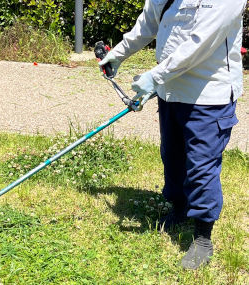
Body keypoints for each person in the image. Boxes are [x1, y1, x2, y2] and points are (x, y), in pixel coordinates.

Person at [99, 0, 246, 270]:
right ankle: (178, 208)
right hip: (170, 92)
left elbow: (200, 43)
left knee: (201, 166)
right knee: (173, 156)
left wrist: (156, 75)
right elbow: (148, 24)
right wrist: (118, 54)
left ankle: (203, 237)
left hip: (208, 96)